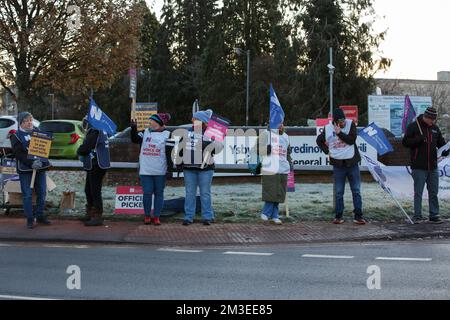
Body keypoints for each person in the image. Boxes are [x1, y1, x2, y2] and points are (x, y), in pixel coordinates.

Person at [316, 108, 366, 225]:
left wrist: (339, 133)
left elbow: (351, 140)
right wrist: (327, 150)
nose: (343, 123)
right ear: (335, 122)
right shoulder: (328, 128)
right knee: (339, 192)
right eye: (340, 121)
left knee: (356, 190)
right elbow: (319, 140)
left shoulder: (350, 124)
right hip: (338, 165)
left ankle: (358, 216)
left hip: (352, 163)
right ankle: (338, 216)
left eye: (343, 120)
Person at [402, 107, 449, 224]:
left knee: (433, 192)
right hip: (418, 166)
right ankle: (417, 216)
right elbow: (405, 142)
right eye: (431, 119)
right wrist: (419, 139)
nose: (432, 122)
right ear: (426, 117)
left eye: (434, 120)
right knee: (418, 192)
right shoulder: (414, 126)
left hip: (433, 166)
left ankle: (434, 215)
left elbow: (441, 144)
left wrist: (446, 150)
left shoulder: (435, 128)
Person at [176, 110, 223, 226]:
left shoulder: (210, 133)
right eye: (193, 118)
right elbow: (181, 147)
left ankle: (207, 216)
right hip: (189, 167)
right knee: (190, 193)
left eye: (195, 118)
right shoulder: (187, 132)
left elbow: (219, 148)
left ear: (202, 121)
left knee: (205, 193)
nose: (192, 120)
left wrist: (208, 144)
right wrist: (178, 161)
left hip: (206, 168)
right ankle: (188, 217)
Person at [10, 112, 52, 229]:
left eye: (30, 120)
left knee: (42, 192)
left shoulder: (38, 133)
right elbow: (18, 153)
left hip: (40, 168)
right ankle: (29, 218)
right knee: (27, 195)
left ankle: (39, 215)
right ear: (21, 123)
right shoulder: (16, 136)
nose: (29, 123)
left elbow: (44, 148)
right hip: (25, 170)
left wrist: (42, 160)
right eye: (26, 121)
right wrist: (31, 163)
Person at [131, 113, 173, 225]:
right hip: (146, 170)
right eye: (150, 121)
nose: (150, 123)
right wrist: (133, 128)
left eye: (153, 121)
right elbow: (135, 139)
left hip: (160, 170)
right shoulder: (145, 132)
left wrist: (170, 169)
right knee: (147, 193)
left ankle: (157, 216)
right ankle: (147, 215)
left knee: (159, 193)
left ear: (159, 123)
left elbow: (170, 154)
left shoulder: (168, 134)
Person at [77, 117, 111, 226]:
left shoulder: (95, 131)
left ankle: (97, 215)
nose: (85, 124)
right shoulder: (100, 129)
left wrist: (79, 151)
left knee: (94, 191)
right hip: (96, 164)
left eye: (86, 122)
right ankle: (91, 213)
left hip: (97, 164)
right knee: (89, 189)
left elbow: (86, 148)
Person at [259, 123, 293, 225]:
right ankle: (266, 213)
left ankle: (275, 216)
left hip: (282, 168)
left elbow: (288, 152)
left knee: (279, 192)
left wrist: (290, 163)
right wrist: (266, 149)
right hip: (270, 168)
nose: (281, 126)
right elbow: (257, 149)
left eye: (282, 124)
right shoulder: (266, 134)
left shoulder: (286, 137)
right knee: (271, 191)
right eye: (278, 124)